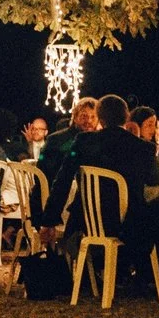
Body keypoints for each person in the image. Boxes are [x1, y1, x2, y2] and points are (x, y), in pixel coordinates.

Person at [52, 94, 159, 279]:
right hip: (130, 224)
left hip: (88, 222)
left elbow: (63, 180)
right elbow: (155, 179)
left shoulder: (82, 142)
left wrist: (49, 220)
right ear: (126, 117)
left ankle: (131, 271)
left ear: (100, 117)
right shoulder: (143, 147)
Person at [33, 97, 104, 227]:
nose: (88, 121)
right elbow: (46, 172)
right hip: (55, 196)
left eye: (93, 117)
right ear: (75, 117)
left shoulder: (99, 142)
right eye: (83, 116)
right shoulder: (57, 140)